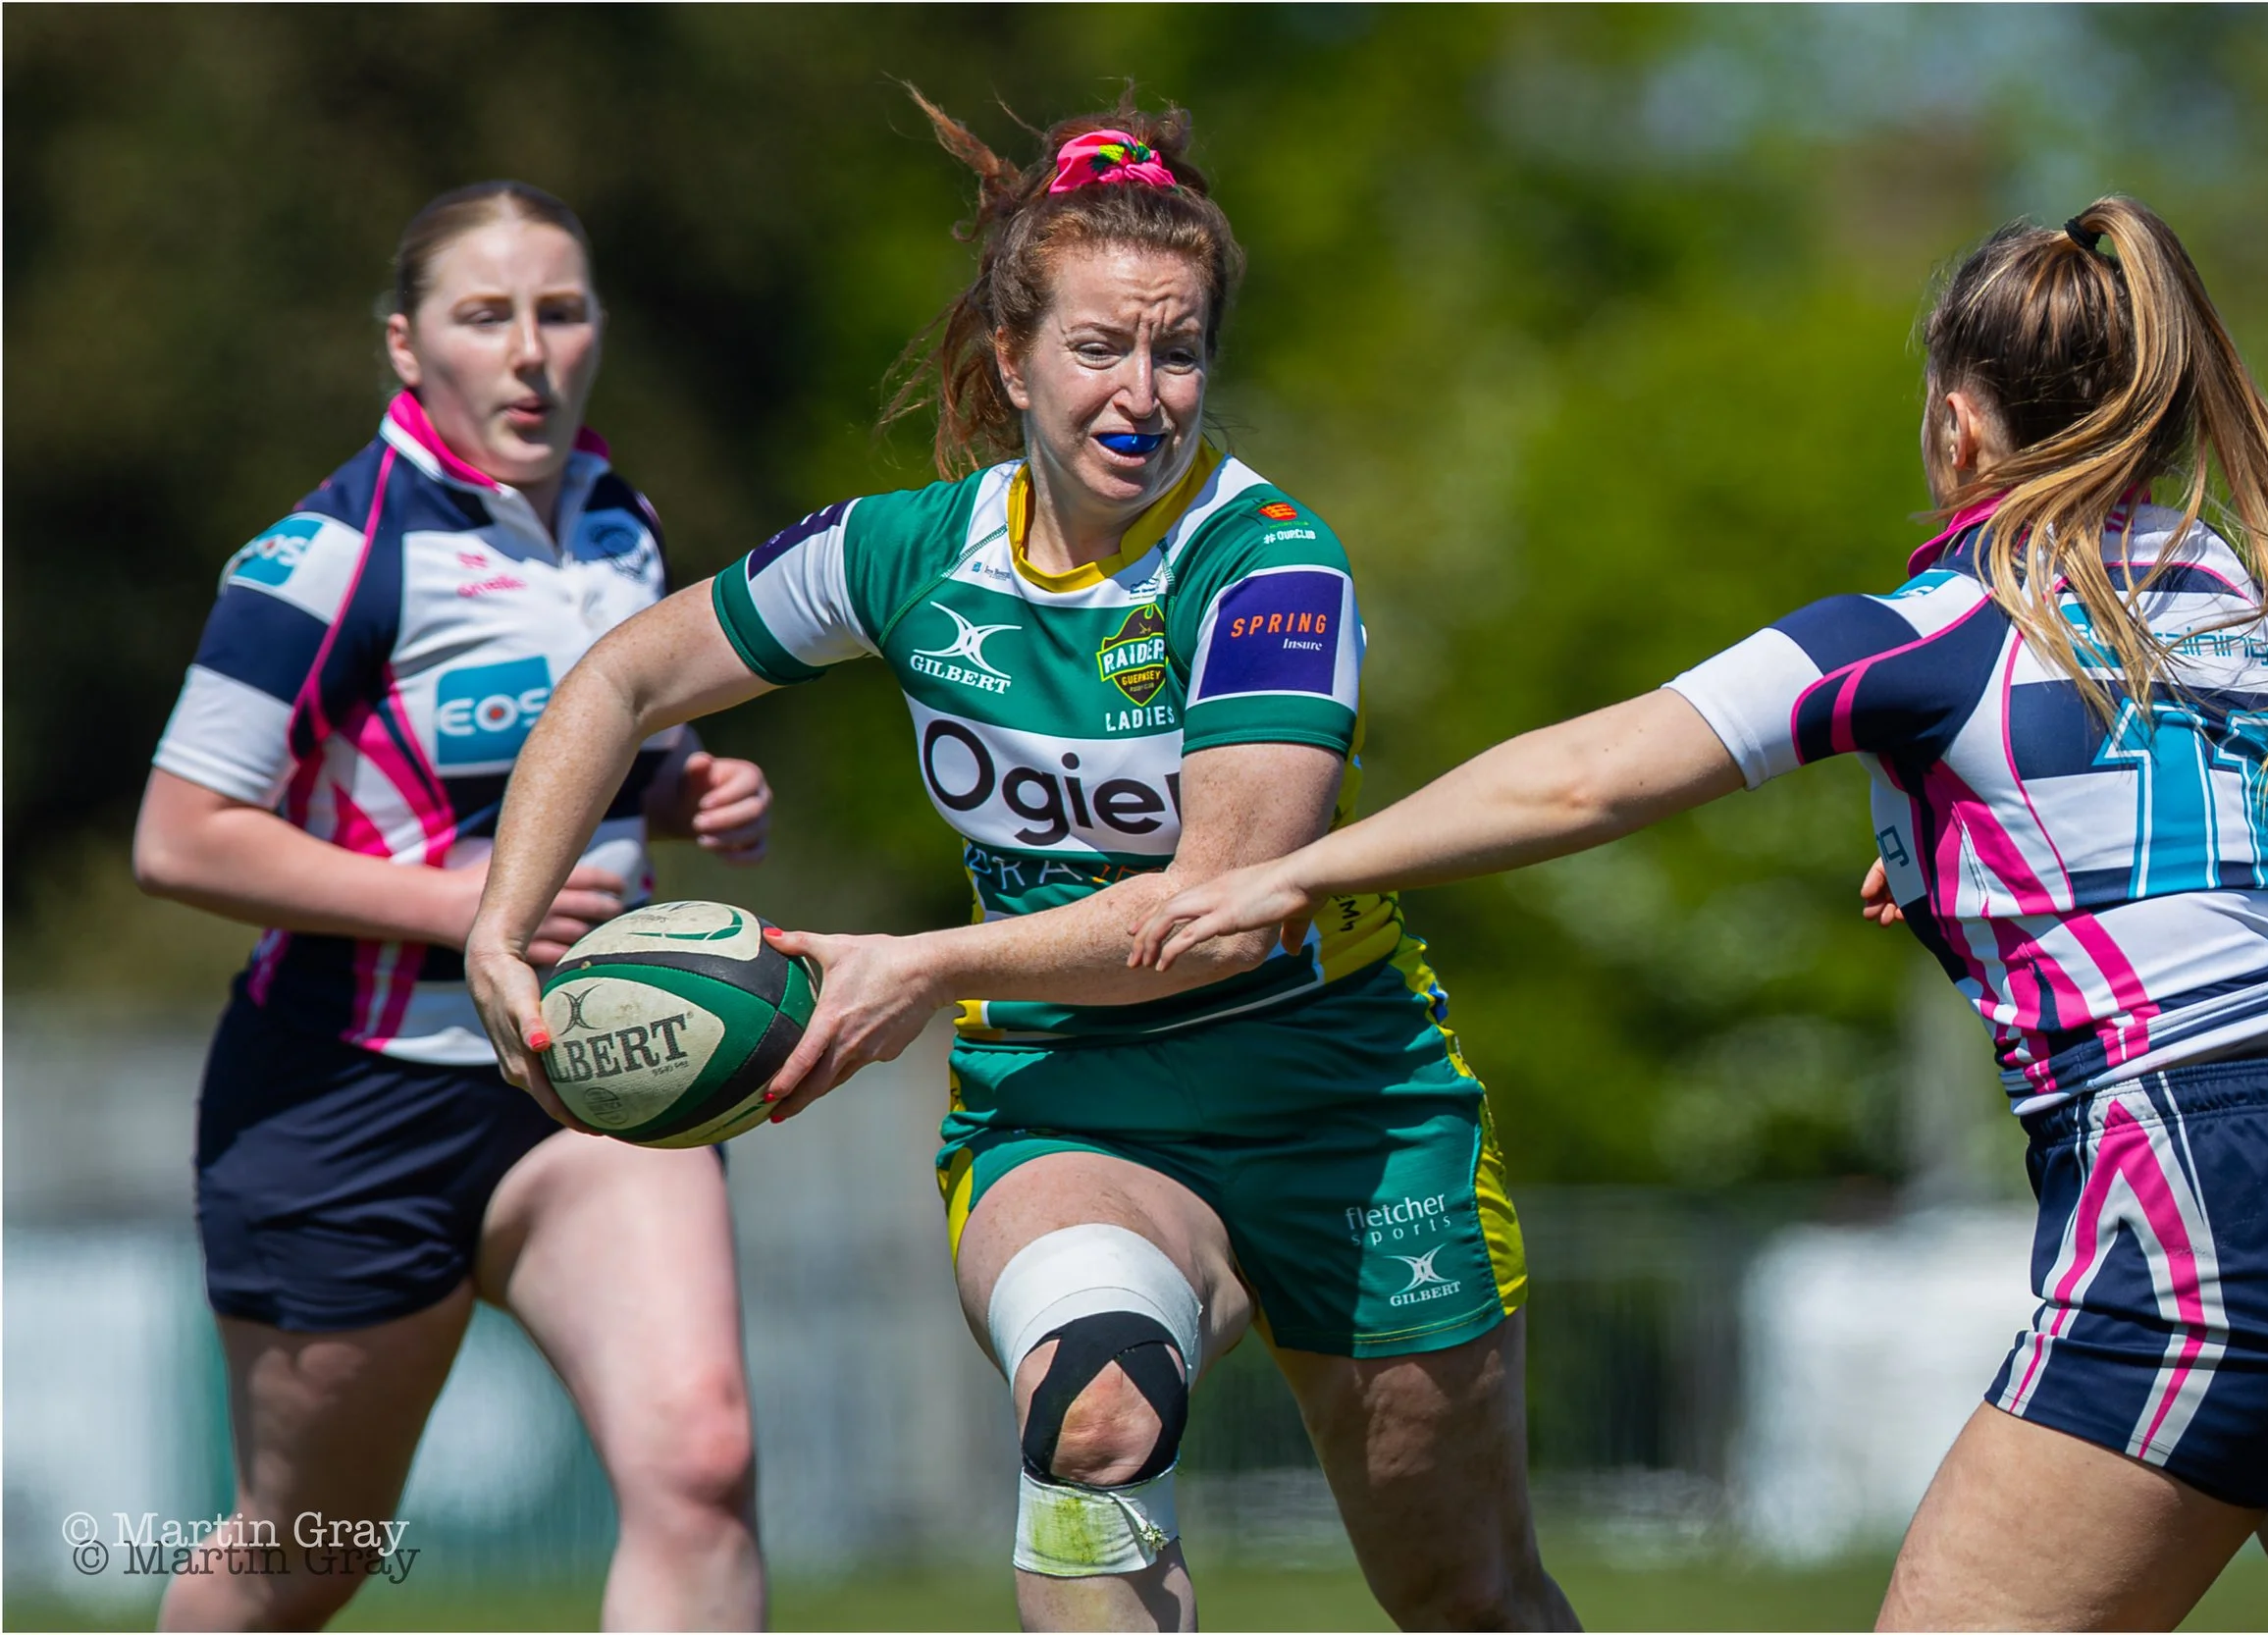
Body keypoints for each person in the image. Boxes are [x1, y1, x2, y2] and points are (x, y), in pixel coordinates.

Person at [1131, 196, 2268, 1632]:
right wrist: (1981, 869)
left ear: (1958, 427)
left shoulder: (1933, 625)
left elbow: (1587, 778)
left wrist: (1298, 870)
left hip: (2202, 1178)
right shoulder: (2248, 607)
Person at [463, 96, 1576, 1632]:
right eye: (1099, 347)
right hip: (1069, 1097)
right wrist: (501, 921)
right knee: (1094, 1420)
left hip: (1343, 1101)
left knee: (1468, 1595)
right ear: (1013, 357)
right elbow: (621, 677)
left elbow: (1216, 915)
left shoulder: (1270, 568)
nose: (1142, 393)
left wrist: (924, 965)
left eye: (1178, 352)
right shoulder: (909, 552)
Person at [133, 181, 773, 1631]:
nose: (531, 351)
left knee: (702, 1465)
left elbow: (592, 759)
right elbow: (178, 838)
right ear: (408, 347)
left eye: (562, 311)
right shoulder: (328, 556)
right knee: (309, 1555)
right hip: (352, 1094)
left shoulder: (618, 524)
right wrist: (454, 904)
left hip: (596, 1069)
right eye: (486, 316)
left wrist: (686, 791)